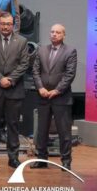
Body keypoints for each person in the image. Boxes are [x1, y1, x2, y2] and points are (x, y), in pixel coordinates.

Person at [0, 12, 29, 169]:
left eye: (8, 24)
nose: (5, 27)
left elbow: (24, 64)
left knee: (13, 125)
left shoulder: (22, 41)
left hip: (14, 89)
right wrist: (0, 79)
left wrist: (10, 79)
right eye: (3, 24)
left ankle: (13, 157)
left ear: (13, 25)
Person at [31, 24, 78, 171]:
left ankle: (66, 162)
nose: (54, 34)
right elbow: (35, 71)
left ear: (64, 35)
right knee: (41, 131)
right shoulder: (41, 50)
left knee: (64, 132)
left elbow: (70, 74)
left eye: (58, 32)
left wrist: (57, 90)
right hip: (43, 96)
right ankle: (41, 160)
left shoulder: (70, 51)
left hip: (61, 98)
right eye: (52, 32)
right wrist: (40, 87)